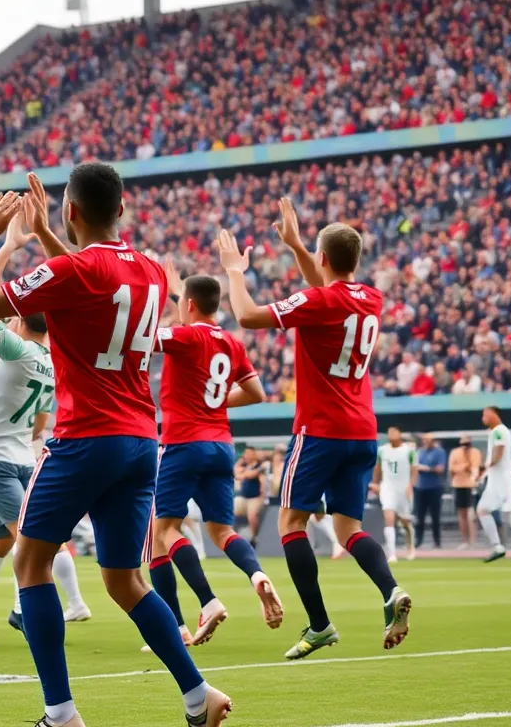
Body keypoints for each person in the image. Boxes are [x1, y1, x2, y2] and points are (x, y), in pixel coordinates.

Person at [0, 168, 229, 727]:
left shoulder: (70, 270)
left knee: (30, 564)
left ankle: (59, 715)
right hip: (140, 440)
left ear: (71, 212)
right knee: (124, 581)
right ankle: (197, 694)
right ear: (123, 207)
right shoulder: (154, 270)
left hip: (85, 438)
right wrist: (53, 237)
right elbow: (92, 277)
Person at [218, 197, 411, 660]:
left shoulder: (320, 300)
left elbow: (247, 316)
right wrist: (298, 245)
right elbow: (326, 291)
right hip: (363, 431)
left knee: (290, 523)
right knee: (347, 529)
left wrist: (234, 272)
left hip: (320, 429)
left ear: (324, 259)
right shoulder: (371, 298)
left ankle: (320, 624)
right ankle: (390, 589)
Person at [0, 216, 89, 645]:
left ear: (16, 322)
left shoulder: (13, 348)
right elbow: (40, 421)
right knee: (24, 538)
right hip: (11, 457)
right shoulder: (53, 362)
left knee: (11, 540)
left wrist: (5, 247)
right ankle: (21, 611)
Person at [147, 263, 280, 652]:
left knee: (163, 531)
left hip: (183, 442)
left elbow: (145, 338)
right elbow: (256, 393)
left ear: (189, 305)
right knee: (222, 532)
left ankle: (206, 603)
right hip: (222, 445)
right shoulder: (232, 342)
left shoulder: (184, 336)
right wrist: (218, 401)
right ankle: (255, 575)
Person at [475, 408, 511, 564]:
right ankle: (506, 548)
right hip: (497, 478)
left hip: (502, 479)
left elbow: (498, 452)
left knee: (501, 513)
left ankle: (504, 547)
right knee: (490, 511)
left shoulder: (498, 431)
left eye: (485, 415)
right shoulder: (498, 431)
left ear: (494, 415)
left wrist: (485, 465)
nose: (483, 418)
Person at [372, 427, 416, 563]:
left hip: (403, 489)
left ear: (400, 434)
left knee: (405, 521)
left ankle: (410, 547)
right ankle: (392, 554)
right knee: (389, 518)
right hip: (388, 487)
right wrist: (375, 483)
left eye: (394, 432)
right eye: (389, 432)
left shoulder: (408, 450)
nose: (391, 434)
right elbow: (377, 468)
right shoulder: (382, 450)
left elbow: (414, 469)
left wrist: (410, 485)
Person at [413, 433, 447, 550]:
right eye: (424, 440)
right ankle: (418, 540)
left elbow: (440, 469)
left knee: (435, 516)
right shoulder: (419, 452)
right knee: (419, 516)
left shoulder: (439, 452)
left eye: (428, 440)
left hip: (435, 488)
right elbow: (415, 467)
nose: (426, 443)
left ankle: (437, 541)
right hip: (420, 488)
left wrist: (427, 468)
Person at [449, 435, 482, 549]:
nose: (465, 447)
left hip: (471, 485)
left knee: (471, 514)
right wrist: (462, 467)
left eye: (467, 444)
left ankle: (473, 539)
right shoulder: (455, 452)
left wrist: (464, 465)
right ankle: (465, 540)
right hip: (459, 485)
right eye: (463, 444)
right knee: (461, 514)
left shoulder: (475, 453)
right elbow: (452, 469)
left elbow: (474, 468)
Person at [234, 446, 266, 543]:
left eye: (249, 453)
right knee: (231, 510)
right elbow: (236, 474)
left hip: (255, 497)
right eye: (246, 453)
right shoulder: (244, 467)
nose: (247, 455)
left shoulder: (260, 466)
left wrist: (246, 474)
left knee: (252, 515)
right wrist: (240, 462)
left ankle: (253, 537)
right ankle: (233, 536)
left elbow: (257, 477)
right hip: (244, 497)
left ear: (254, 455)